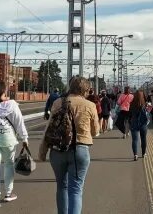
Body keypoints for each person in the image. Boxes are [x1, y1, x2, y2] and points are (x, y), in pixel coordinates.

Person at [41, 76, 100, 214]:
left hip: (57, 151)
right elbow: (96, 131)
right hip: (80, 150)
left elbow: (48, 128)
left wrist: (42, 150)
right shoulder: (90, 105)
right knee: (76, 190)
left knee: (61, 186)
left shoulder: (57, 102)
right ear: (86, 90)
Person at [129, 90, 152, 161]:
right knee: (143, 139)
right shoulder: (146, 105)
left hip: (134, 124)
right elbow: (150, 112)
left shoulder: (132, 104)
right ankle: (143, 154)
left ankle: (135, 155)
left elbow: (130, 115)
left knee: (135, 140)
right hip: (143, 125)